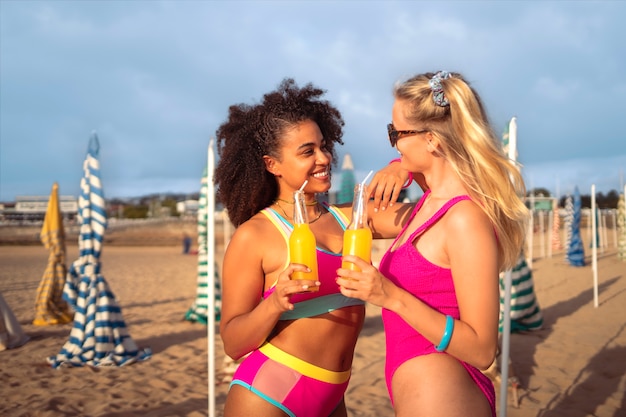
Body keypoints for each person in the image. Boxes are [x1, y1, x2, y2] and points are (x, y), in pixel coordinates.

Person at [336, 71, 529, 417]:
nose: (392, 142)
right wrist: (400, 166)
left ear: (431, 140)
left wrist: (388, 295)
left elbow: (484, 349)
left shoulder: (465, 220)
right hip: (422, 384)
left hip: (443, 391)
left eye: (396, 133)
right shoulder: (428, 205)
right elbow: (350, 221)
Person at [215, 78, 407, 417]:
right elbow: (233, 342)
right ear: (272, 164)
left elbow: (428, 214)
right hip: (268, 397)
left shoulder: (352, 218)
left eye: (323, 146)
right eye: (307, 151)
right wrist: (274, 303)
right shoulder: (254, 235)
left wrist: (402, 167)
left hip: (333, 396)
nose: (323, 158)